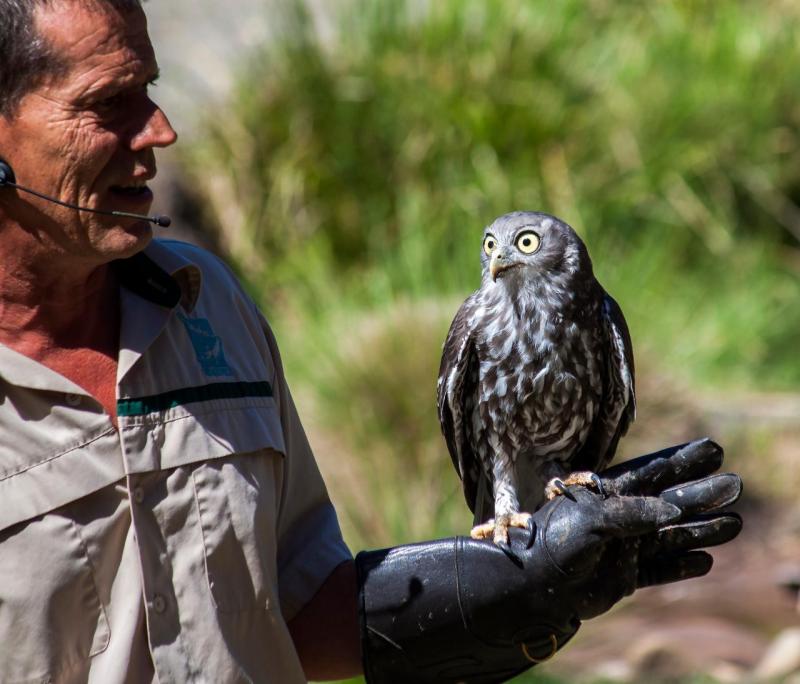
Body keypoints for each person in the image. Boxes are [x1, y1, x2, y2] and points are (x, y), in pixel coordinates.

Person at [0, 1, 742, 682]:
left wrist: (511, 590)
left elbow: (295, 604)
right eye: (108, 103)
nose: (160, 130)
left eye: (152, 90)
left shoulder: (207, 307)